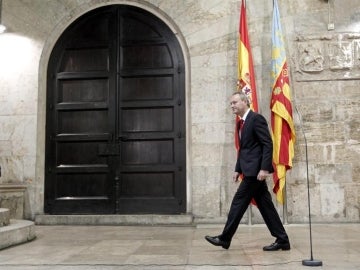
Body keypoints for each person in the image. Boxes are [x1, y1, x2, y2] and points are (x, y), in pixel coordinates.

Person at [205, 91, 290, 251]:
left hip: (255, 173)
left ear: (245, 102)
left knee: (238, 203)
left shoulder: (256, 119)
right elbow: (244, 149)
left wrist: (265, 168)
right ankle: (282, 239)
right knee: (266, 206)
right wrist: (238, 169)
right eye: (231, 103)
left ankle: (225, 238)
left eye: (235, 102)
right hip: (249, 171)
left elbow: (267, 144)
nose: (232, 106)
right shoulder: (240, 123)